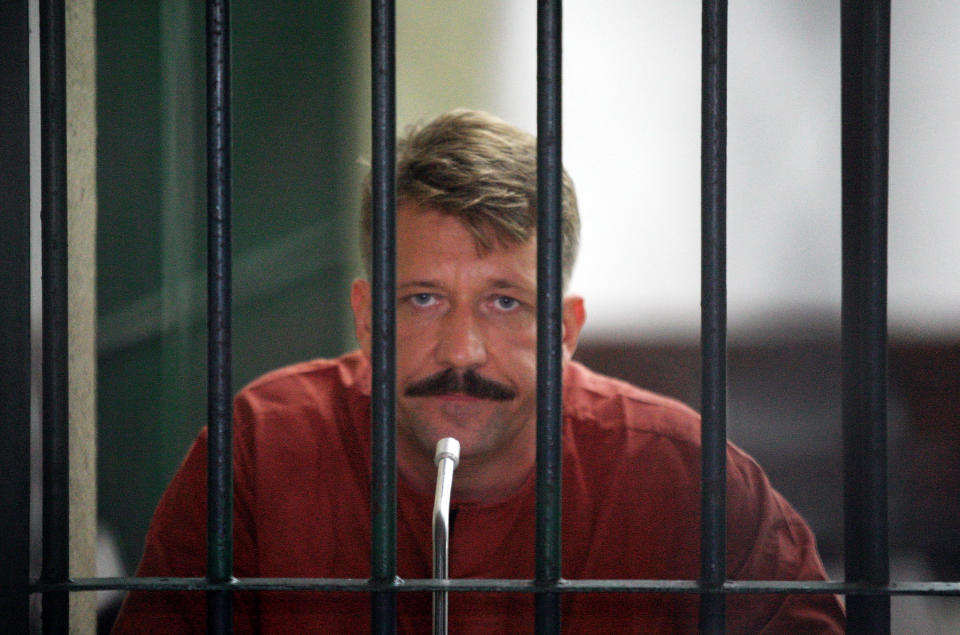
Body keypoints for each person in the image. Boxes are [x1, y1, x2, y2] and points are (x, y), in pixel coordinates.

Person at [112, 109, 845, 633]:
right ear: (367, 317)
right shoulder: (261, 450)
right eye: (424, 298)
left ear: (563, 330)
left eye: (504, 302)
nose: (461, 350)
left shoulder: (684, 474)